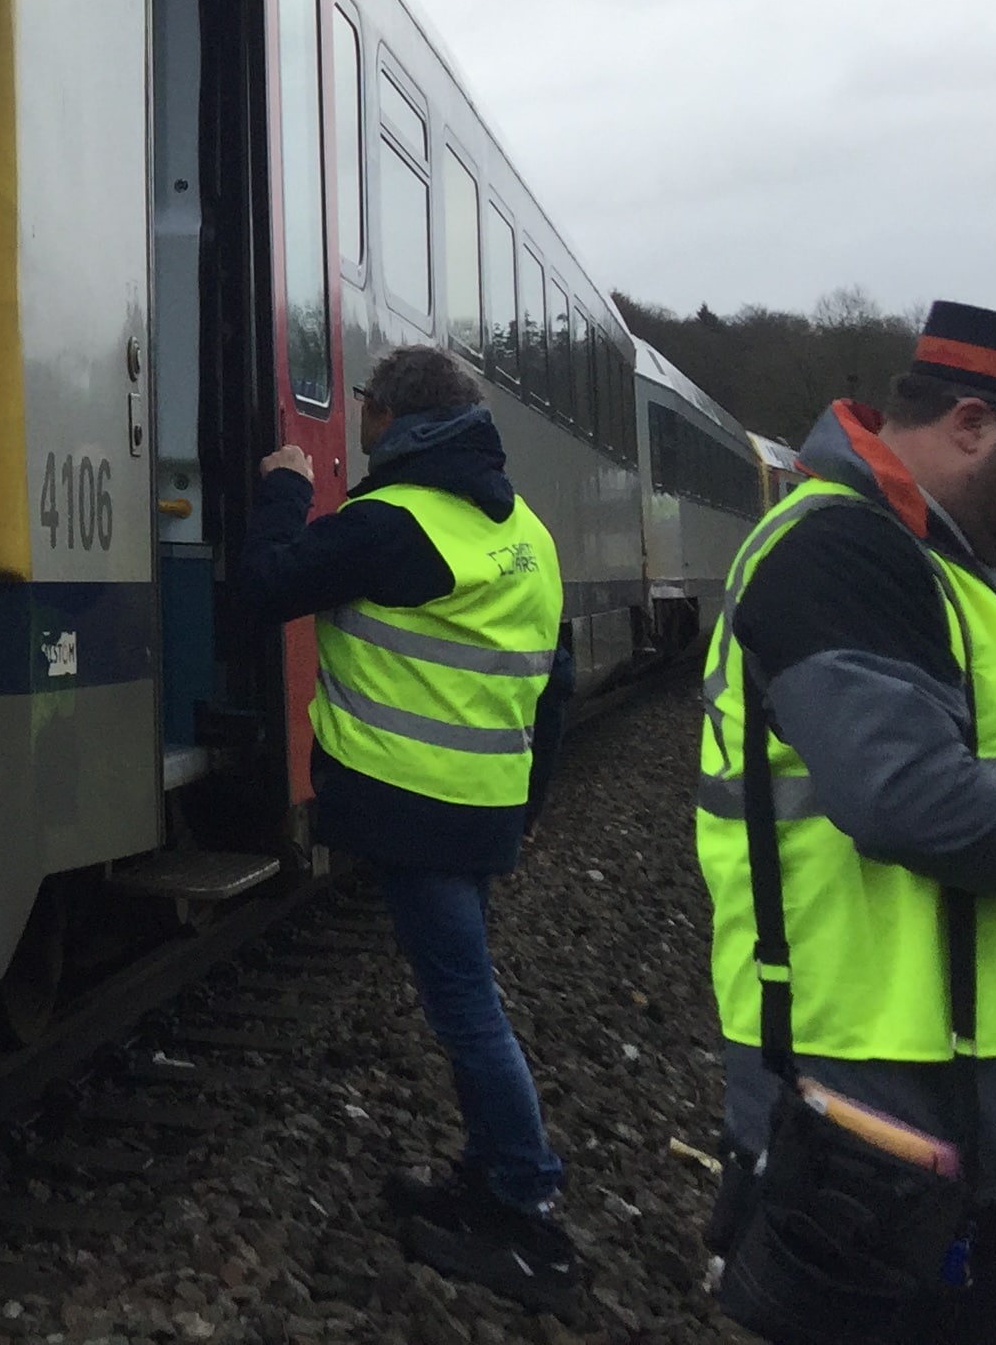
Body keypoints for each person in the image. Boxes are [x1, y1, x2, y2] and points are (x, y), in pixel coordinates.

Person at [697, 301, 996, 1336]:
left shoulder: (954, 570)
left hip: (961, 1083)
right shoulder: (840, 551)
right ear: (973, 426)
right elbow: (912, 802)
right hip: (878, 1104)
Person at [242, 341, 580, 1316]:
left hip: (417, 813)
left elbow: (264, 587)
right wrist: (525, 812)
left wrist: (284, 488)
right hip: (478, 811)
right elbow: (551, 699)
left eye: (364, 409)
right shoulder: (524, 532)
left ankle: (526, 1207)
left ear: (389, 418)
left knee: (467, 1006)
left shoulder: (390, 524)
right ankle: (491, 1177)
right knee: (466, 996)